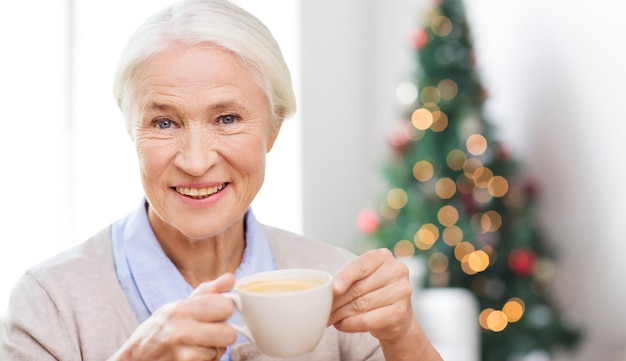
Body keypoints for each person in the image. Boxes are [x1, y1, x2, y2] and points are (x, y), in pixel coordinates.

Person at [1, 0, 443, 360]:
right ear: (130, 131)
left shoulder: (333, 282)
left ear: (272, 129)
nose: (195, 162)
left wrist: (404, 337)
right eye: (163, 123)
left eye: (227, 118)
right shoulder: (49, 303)